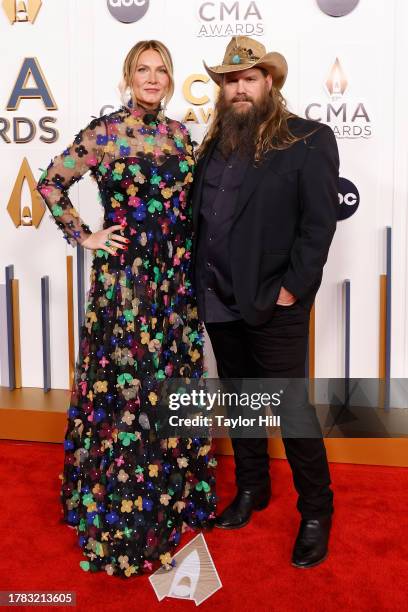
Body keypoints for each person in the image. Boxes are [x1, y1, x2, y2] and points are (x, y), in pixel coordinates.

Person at [37, 39, 216, 578]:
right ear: (128, 76)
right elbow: (50, 183)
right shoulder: (107, 132)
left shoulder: (183, 135)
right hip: (125, 288)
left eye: (162, 70)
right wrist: (85, 235)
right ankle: (122, 504)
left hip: (173, 287)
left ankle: (173, 491)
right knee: (127, 390)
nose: (154, 79)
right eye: (144, 69)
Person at [192, 36, 339, 568]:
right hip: (217, 298)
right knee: (240, 401)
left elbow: (318, 226)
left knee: (292, 410)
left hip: (274, 301)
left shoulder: (308, 139)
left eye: (248, 77)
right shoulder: (214, 143)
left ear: (269, 83)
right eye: (230, 80)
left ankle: (317, 512)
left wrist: (292, 289)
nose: (239, 87)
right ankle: (253, 488)